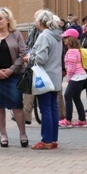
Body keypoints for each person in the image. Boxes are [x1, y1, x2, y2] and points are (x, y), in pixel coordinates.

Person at [0, 8, 28, 148]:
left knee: (17, 105)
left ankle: (22, 134)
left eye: (0, 19)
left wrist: (11, 70)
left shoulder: (16, 34)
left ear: (8, 20)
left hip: (14, 75)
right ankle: (3, 135)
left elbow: (22, 54)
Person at [25, 9, 63, 150]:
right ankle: (53, 139)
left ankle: (46, 139)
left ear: (40, 22)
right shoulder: (57, 35)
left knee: (45, 108)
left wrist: (29, 58)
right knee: (53, 108)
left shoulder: (44, 36)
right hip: (55, 75)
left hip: (44, 77)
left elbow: (41, 58)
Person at [58, 28, 87, 128]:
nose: (64, 40)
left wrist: (69, 78)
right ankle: (82, 119)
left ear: (71, 39)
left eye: (66, 38)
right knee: (76, 97)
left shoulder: (71, 52)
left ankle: (68, 119)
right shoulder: (77, 50)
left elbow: (70, 68)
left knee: (67, 96)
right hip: (81, 75)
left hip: (76, 76)